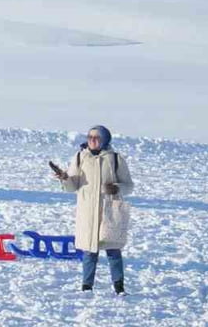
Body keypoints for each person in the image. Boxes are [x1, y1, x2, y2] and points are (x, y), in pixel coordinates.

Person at [50, 125, 134, 296]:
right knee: (89, 252)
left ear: (105, 140)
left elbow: (129, 186)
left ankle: (119, 287)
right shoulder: (80, 157)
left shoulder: (116, 159)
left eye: (96, 137)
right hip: (88, 212)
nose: (92, 140)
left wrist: (117, 188)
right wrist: (64, 178)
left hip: (109, 212)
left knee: (113, 251)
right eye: (90, 137)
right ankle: (86, 287)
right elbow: (72, 186)